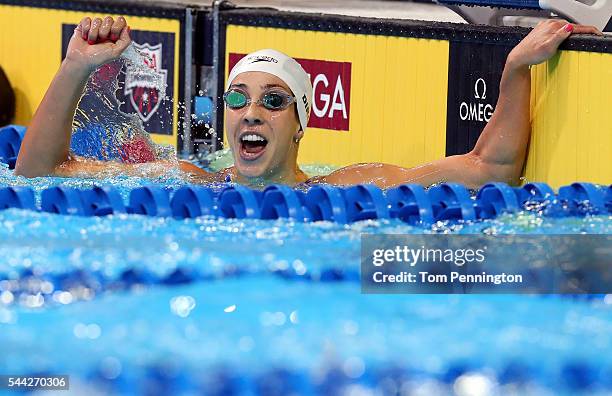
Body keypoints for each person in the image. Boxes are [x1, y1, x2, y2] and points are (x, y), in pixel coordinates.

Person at [14, 16, 602, 189]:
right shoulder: (185, 181)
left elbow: (490, 168)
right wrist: (75, 68)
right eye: (238, 99)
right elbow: (37, 172)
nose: (250, 112)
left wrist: (513, 70)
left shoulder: (346, 187)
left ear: (301, 124)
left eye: (273, 102)